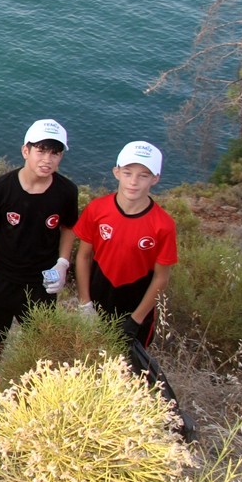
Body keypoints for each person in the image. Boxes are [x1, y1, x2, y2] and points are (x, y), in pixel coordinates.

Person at [0, 119, 79, 369]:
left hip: (40, 280)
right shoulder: (1, 189)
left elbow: (69, 228)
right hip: (0, 275)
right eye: (41, 150)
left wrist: (62, 263)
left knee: (40, 338)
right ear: (25, 151)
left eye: (55, 153)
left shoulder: (67, 191)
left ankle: (31, 383)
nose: (47, 159)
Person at [74, 141, 178, 347]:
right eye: (128, 173)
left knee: (127, 371)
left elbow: (161, 277)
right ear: (116, 172)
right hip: (97, 298)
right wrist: (85, 303)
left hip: (136, 306)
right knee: (88, 358)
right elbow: (83, 256)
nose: (134, 182)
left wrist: (136, 320)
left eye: (144, 175)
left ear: (155, 179)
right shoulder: (97, 209)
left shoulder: (163, 225)